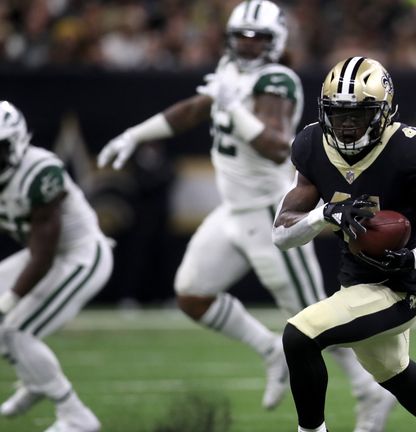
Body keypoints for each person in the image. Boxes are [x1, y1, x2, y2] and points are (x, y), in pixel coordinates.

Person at [97, 2, 396, 430]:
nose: (249, 44)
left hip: (273, 215)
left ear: (276, 42)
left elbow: (276, 145)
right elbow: (194, 109)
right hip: (232, 213)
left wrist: (233, 108)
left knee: (314, 318)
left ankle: (371, 391)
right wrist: (136, 133)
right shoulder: (230, 72)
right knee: (192, 294)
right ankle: (270, 350)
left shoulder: (277, 80)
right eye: (243, 36)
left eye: (259, 37)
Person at [272, 56, 416, 432]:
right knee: (394, 372)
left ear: (384, 113)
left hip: (400, 289)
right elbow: (282, 234)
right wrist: (324, 215)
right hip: (355, 280)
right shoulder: (312, 145)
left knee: (300, 335)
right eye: (338, 114)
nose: (348, 123)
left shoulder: (406, 151)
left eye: (360, 113)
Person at [0, 101, 113, 432]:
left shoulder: (40, 173)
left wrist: (9, 302)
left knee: (16, 329)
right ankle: (36, 380)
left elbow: (44, 254)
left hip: (81, 255)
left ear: (17, 141)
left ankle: (75, 415)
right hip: (43, 255)